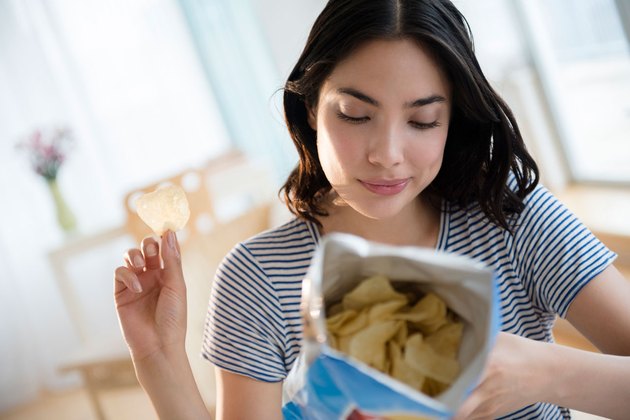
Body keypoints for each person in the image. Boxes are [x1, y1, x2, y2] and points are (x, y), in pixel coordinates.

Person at [113, 0, 630, 418]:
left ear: (453, 121)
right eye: (356, 115)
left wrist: (543, 373)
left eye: (423, 121)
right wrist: (157, 360)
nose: (387, 153)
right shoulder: (259, 278)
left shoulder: (511, 216)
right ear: (312, 108)